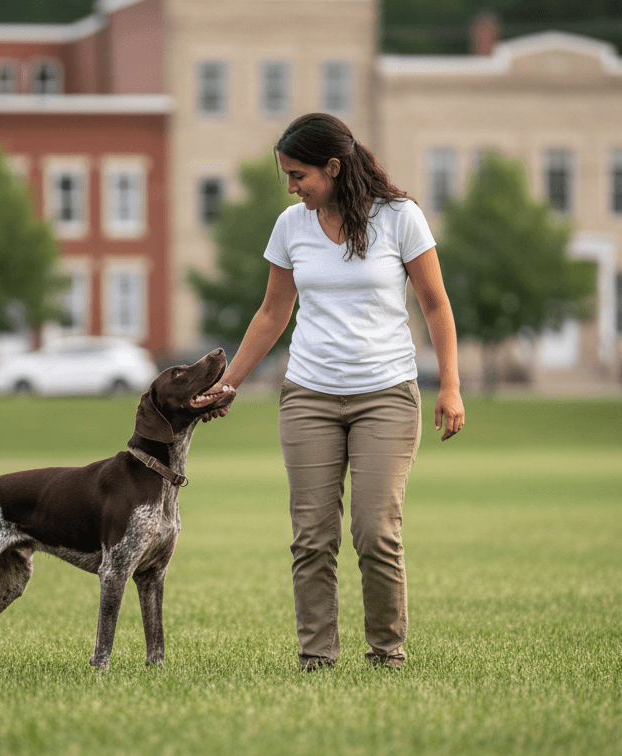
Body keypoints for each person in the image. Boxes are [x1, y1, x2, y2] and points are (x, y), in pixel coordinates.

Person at [208, 113, 465, 670]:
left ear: (333, 167)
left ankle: (387, 653)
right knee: (312, 537)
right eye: (287, 176)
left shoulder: (400, 218)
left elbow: (435, 303)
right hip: (309, 396)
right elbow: (273, 313)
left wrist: (450, 384)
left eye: (298, 175)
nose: (292, 187)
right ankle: (317, 657)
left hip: (386, 395)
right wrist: (228, 384)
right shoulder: (291, 226)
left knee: (376, 532)